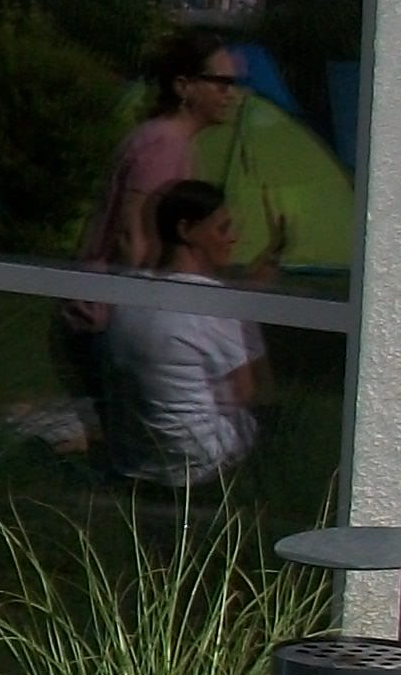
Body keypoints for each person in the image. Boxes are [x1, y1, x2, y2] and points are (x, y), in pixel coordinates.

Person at [103, 180, 266, 485]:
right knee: (268, 418)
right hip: (196, 462)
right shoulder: (216, 302)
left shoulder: (130, 292)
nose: (233, 238)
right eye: (223, 229)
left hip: (134, 456)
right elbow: (248, 392)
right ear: (186, 230)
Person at [80, 31, 248, 275]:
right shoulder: (164, 144)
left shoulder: (167, 139)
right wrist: (143, 294)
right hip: (115, 293)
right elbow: (133, 236)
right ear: (184, 86)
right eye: (222, 84)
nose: (231, 95)